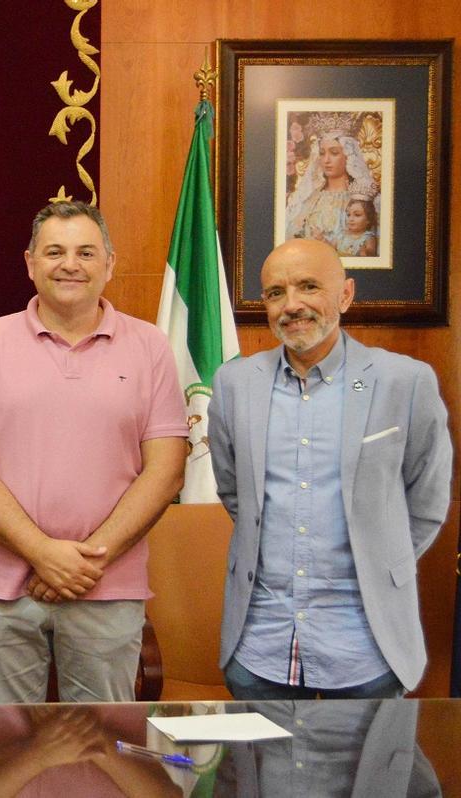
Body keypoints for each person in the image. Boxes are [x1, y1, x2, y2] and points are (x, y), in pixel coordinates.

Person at [0, 201, 188, 703]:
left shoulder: (151, 347)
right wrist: (43, 553)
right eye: (54, 251)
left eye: (85, 252)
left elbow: (165, 472)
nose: (69, 264)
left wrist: (82, 563)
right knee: (0, 753)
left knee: (99, 752)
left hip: (107, 584)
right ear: (30, 263)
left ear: (110, 264)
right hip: (0, 590)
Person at [209, 238, 451, 699]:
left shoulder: (405, 381)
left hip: (366, 646)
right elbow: (234, 490)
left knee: (366, 773)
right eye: (276, 292)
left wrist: (380, 558)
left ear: (345, 294)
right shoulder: (235, 384)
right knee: (262, 773)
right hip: (261, 640)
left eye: (308, 286)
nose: (292, 305)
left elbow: (427, 502)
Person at [284, 113, 378, 251]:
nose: (326, 160)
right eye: (322, 153)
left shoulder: (361, 199)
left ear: (348, 155)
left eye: (334, 153)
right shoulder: (309, 198)